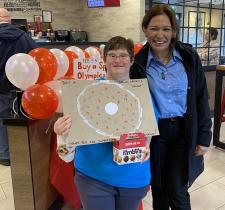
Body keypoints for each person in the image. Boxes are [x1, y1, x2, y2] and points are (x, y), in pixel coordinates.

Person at [54, 36, 158, 210]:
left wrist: (145, 145)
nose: (118, 60)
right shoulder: (84, 93)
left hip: (132, 177)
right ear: (104, 59)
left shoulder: (142, 94)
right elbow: (65, 154)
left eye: (123, 55)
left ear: (132, 60)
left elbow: (147, 133)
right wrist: (62, 133)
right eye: (112, 55)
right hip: (93, 176)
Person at [130, 5, 212, 210]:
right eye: (154, 28)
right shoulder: (137, 63)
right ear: (145, 30)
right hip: (153, 135)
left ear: (174, 32)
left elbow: (201, 97)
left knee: (177, 189)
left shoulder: (188, 57)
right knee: (158, 188)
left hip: (182, 132)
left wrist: (204, 136)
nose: (160, 35)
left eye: (166, 29)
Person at [0, 8, 37, 166]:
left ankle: (4, 154)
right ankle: (21, 155)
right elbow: (36, 56)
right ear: (9, 19)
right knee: (17, 121)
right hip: (19, 87)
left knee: (1, 121)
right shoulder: (24, 36)